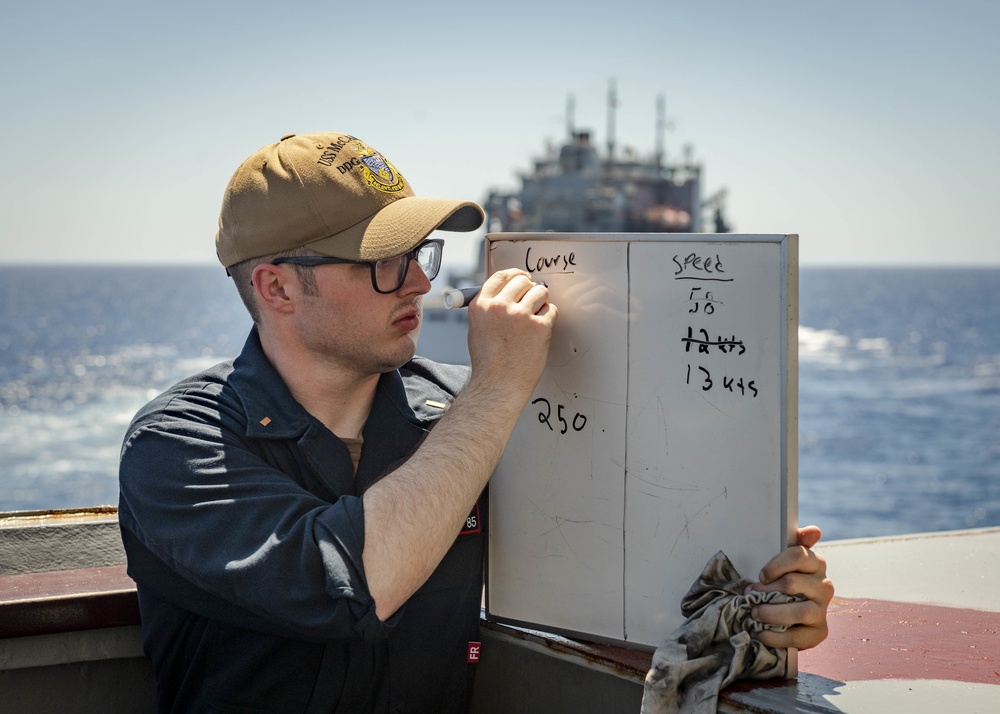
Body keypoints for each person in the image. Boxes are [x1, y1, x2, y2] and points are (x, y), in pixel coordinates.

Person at [118, 132, 832, 713]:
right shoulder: (177, 447)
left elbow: (627, 551)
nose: (423, 281)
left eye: (419, 253)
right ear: (276, 285)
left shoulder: (455, 417)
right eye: (382, 262)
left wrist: (762, 608)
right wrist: (498, 387)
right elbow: (350, 585)